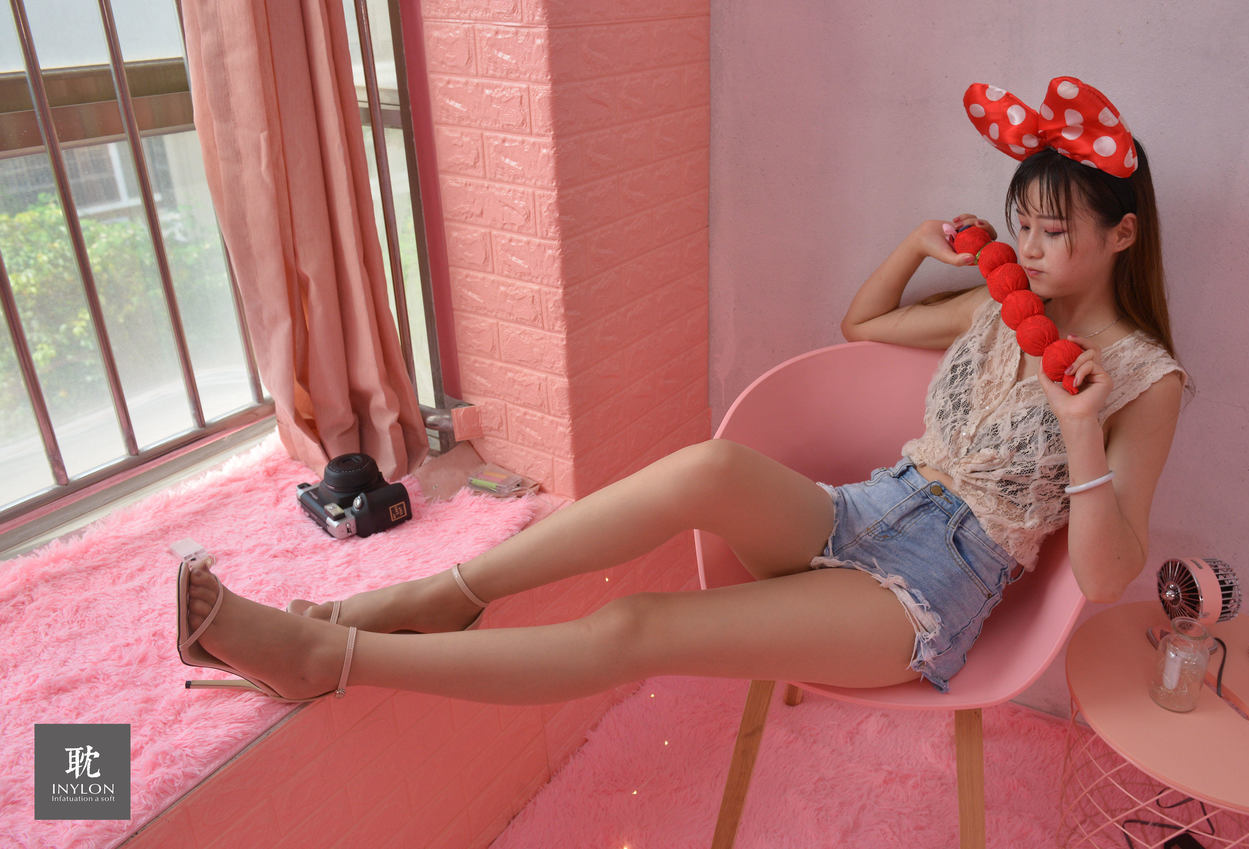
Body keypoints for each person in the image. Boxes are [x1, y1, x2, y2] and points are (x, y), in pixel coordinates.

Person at [177, 76, 1185, 704]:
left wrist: (1080, 431)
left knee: (636, 628)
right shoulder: (1001, 309)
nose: (1032, 248)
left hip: (929, 589)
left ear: (1123, 234)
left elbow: (1105, 574)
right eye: (1026, 224)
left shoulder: (1145, 379)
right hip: (868, 507)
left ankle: (327, 658)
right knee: (709, 465)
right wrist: (914, 247)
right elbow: (864, 325)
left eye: (1057, 231)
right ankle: (432, 597)